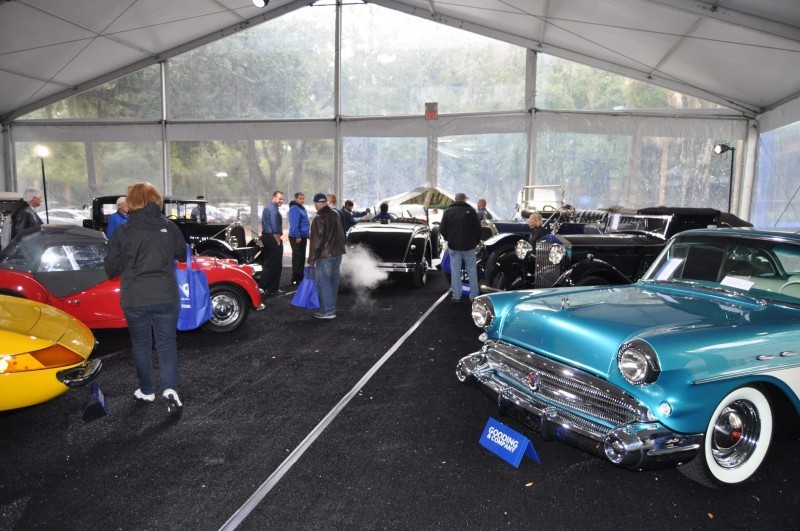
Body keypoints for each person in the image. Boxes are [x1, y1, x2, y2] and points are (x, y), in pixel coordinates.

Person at [103, 182, 186, 415]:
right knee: (167, 344)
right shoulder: (170, 227)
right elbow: (181, 254)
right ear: (156, 200)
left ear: (131, 202)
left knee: (141, 345)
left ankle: (147, 390)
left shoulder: (123, 232)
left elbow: (111, 268)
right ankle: (170, 389)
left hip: (135, 297)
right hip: (166, 295)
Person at [307, 193, 346, 320]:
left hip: (325, 256)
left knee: (324, 283)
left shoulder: (319, 218)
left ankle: (327, 311)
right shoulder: (336, 214)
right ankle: (331, 308)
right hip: (337, 254)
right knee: (334, 282)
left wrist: (311, 260)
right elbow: (342, 234)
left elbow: (316, 242)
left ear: (317, 203)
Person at [439, 192, 481, 302]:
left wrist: (449, 238)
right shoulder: (471, 211)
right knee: (472, 270)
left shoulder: (448, 212)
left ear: (455, 200)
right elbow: (478, 229)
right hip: (469, 246)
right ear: (464, 200)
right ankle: (474, 296)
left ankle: (457, 296)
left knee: (455, 270)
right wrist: (475, 242)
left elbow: (442, 228)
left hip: (454, 246)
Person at [260, 191, 285, 295]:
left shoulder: (267, 208)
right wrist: (278, 241)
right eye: (279, 199)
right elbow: (275, 228)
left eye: (282, 199)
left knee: (268, 264)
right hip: (272, 239)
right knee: (276, 265)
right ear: (273, 198)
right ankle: (272, 289)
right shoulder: (274, 210)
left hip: (266, 237)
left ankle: (264, 288)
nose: (281, 201)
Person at [288, 192, 310, 285]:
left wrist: (306, 234)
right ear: (296, 199)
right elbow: (294, 224)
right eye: (300, 198)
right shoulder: (294, 209)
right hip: (296, 237)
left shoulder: (301, 208)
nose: (302, 200)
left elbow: (304, 223)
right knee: (297, 258)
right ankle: (295, 279)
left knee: (301, 258)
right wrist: (298, 236)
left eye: (303, 198)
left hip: (302, 236)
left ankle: (300, 277)